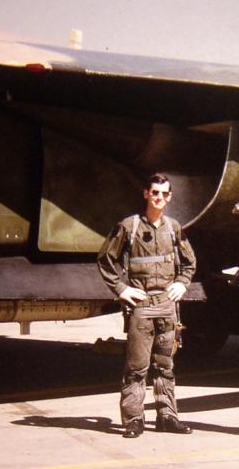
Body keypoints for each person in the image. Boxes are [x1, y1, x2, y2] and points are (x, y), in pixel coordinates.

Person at [97, 173, 197, 439]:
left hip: (167, 307)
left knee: (165, 367)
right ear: (146, 194)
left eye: (164, 194)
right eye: (155, 193)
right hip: (141, 308)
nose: (159, 198)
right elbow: (105, 259)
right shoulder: (128, 227)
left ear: (170, 197)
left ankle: (167, 417)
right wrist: (121, 289)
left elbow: (190, 262)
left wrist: (183, 283)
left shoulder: (174, 228)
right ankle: (133, 420)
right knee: (137, 368)